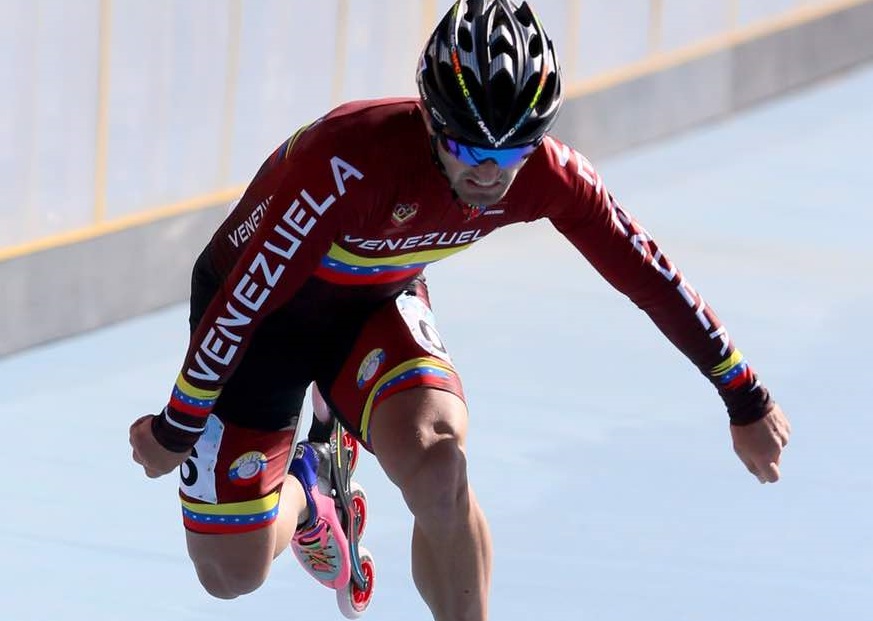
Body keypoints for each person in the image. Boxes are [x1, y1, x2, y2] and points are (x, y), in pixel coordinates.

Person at [129, 0, 792, 619]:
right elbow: (243, 304)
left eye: (514, 149)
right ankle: (309, 491)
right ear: (430, 121)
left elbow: (648, 274)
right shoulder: (348, 161)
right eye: (472, 150)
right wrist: (175, 426)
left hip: (374, 301)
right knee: (228, 576)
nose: (490, 174)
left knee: (441, 464)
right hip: (259, 321)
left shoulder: (548, 176)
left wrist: (743, 393)